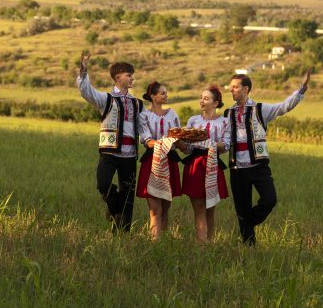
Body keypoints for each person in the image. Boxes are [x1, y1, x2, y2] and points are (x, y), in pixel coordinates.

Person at [225, 69, 311, 245]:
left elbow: (283, 107)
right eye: (230, 87)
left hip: (259, 166)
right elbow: (222, 138)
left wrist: (301, 89)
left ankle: (247, 222)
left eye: (235, 87)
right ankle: (249, 247)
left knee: (269, 199)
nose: (231, 90)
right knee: (241, 207)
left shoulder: (260, 109)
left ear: (246, 89)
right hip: (237, 168)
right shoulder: (228, 113)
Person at [77, 54, 143, 232]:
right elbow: (86, 92)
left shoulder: (137, 103)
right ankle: (113, 205)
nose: (132, 78)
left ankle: (122, 235)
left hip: (130, 154)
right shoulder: (106, 99)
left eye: (132, 75)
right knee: (103, 185)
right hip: (109, 151)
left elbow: (145, 126)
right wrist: (83, 70)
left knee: (128, 196)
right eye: (129, 75)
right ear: (118, 77)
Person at [180, 85, 230, 242]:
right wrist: (178, 141)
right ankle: (202, 245)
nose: (202, 101)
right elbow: (188, 149)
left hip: (213, 163)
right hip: (195, 164)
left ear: (216, 103)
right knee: (199, 208)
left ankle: (208, 243)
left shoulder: (224, 122)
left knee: (210, 209)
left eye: (206, 98)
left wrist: (208, 143)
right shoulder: (193, 120)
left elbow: (226, 145)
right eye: (201, 98)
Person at [136, 81, 182, 239]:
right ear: (153, 96)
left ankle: (163, 243)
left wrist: (184, 142)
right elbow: (147, 141)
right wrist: (165, 142)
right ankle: (154, 242)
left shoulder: (172, 114)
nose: (166, 95)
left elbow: (178, 136)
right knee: (155, 210)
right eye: (162, 93)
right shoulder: (144, 116)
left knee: (165, 209)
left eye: (166, 93)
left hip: (169, 160)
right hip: (153, 161)